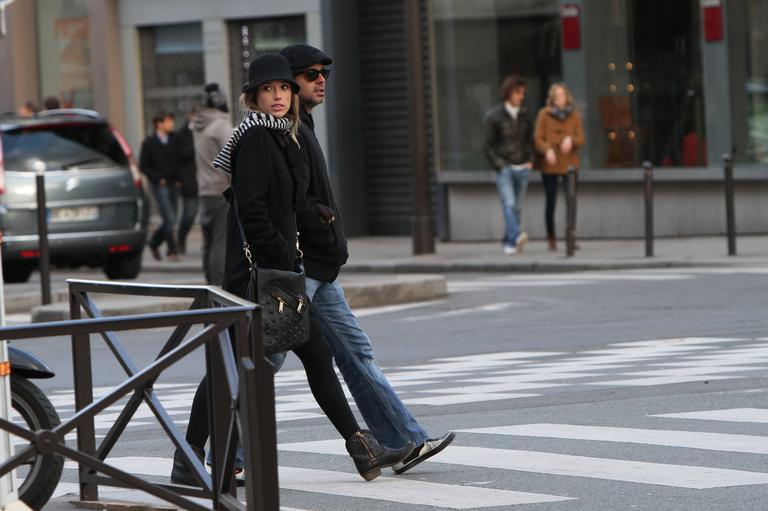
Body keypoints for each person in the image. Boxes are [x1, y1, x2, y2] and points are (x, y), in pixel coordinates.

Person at [170, 53, 411, 486]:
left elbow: (289, 201)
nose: (277, 96)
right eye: (268, 90)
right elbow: (252, 209)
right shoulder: (257, 138)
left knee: (282, 359)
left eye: (282, 88)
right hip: (262, 276)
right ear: (253, 97)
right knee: (239, 365)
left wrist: (316, 221)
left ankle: (359, 446)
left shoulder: (283, 135)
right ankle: (194, 455)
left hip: (278, 271)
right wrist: (282, 260)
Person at [279, 43, 455, 475]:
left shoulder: (305, 126)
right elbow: (288, 201)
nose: (321, 80)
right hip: (299, 266)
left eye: (324, 73)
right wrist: (322, 223)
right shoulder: (283, 133)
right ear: (288, 83)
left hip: (320, 268)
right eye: (310, 74)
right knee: (261, 362)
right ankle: (232, 458)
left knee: (356, 353)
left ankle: (402, 440)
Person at [483, 75, 533, 255]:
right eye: (518, 93)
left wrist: (530, 160)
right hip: (505, 167)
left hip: (523, 166)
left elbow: (529, 140)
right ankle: (516, 235)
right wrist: (500, 165)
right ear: (508, 93)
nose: (521, 96)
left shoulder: (524, 115)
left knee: (516, 207)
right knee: (509, 203)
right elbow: (487, 145)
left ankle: (509, 242)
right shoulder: (495, 116)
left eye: (523, 93)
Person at [534, 82, 585, 251]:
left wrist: (571, 139)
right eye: (556, 96)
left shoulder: (575, 115)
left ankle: (571, 235)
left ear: (567, 97)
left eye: (561, 95)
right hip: (551, 164)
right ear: (552, 98)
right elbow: (538, 138)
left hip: (570, 164)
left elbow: (581, 139)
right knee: (551, 201)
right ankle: (551, 237)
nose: (559, 99)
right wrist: (547, 149)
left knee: (571, 202)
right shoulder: (544, 114)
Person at [192, 83, 232, 285]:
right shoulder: (220, 126)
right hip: (221, 190)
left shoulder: (199, 126)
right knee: (221, 241)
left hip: (205, 190)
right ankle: (219, 286)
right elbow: (232, 160)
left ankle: (210, 285)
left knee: (209, 242)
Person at [139, 112, 181, 261]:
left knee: (172, 219)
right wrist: (157, 178)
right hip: (159, 185)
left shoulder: (175, 139)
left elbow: (179, 160)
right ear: (159, 123)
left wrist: (178, 178)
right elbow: (143, 166)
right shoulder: (149, 143)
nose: (172, 124)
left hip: (173, 184)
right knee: (169, 219)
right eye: (168, 121)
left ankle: (153, 242)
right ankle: (172, 251)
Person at [174, 111, 199, 255]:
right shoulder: (182, 135)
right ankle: (181, 239)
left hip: (206, 181)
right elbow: (181, 155)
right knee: (189, 214)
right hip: (189, 181)